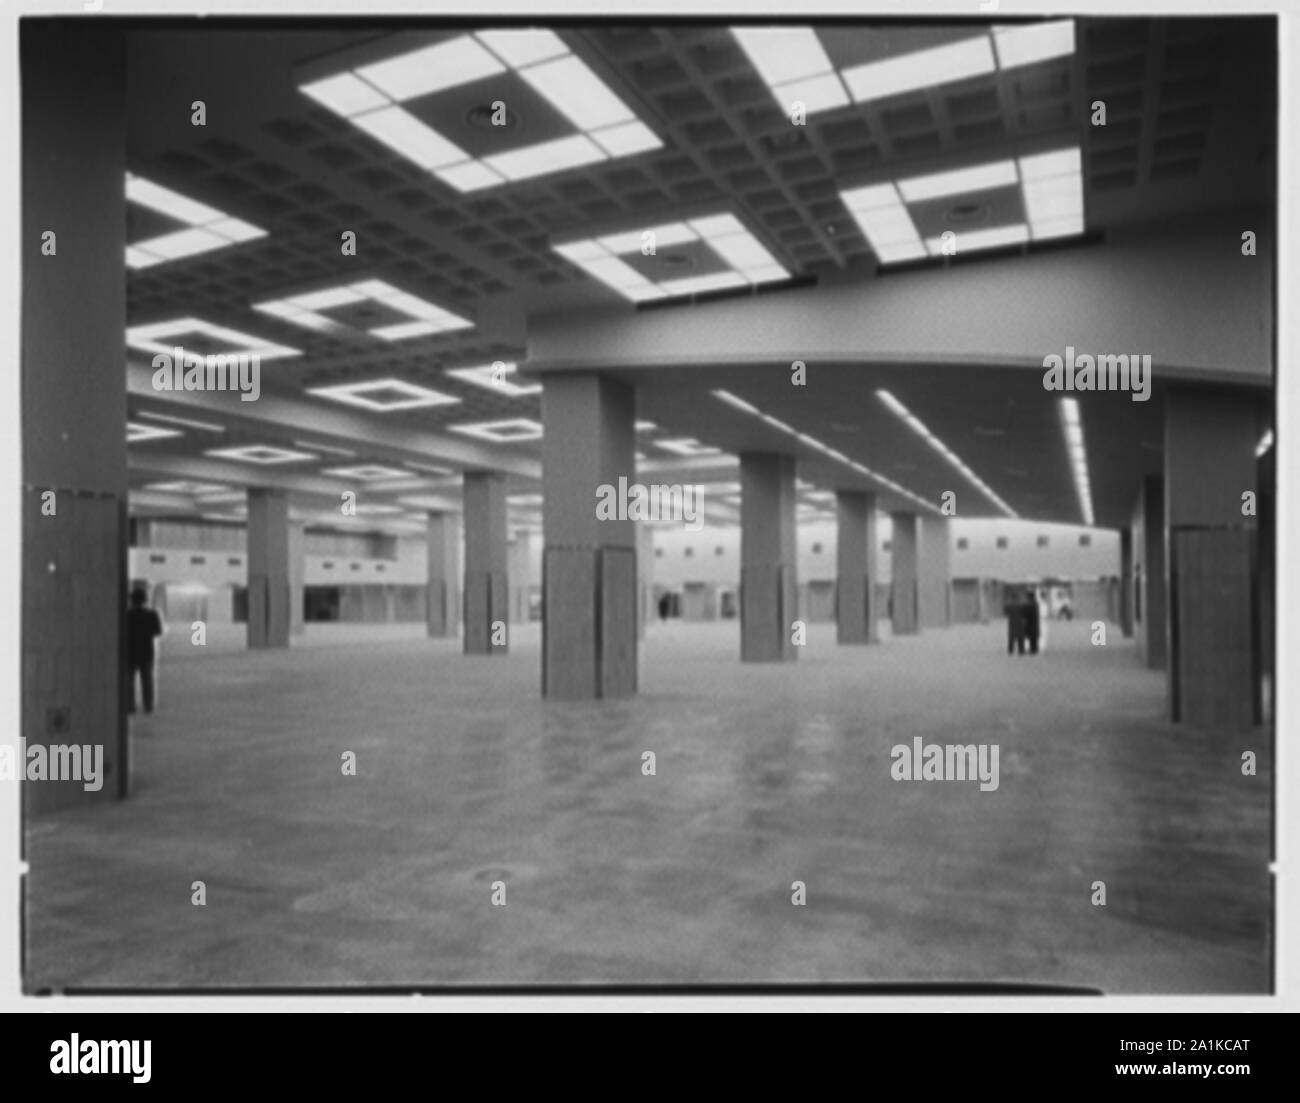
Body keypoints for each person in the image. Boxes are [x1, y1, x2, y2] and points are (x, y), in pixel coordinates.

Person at [127, 588, 163, 714]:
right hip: (146, 652)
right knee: (147, 681)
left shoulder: (127, 615)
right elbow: (158, 632)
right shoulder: (152, 614)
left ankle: (130, 706)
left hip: (130, 652)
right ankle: (148, 705)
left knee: (129, 682)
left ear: (132, 600)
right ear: (144, 600)